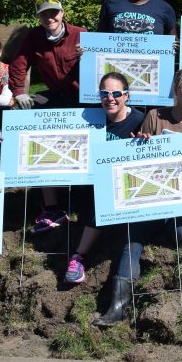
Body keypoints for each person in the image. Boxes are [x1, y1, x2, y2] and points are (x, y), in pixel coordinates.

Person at [93, 63, 182, 325]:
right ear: (177, 89)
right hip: (158, 191)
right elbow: (140, 159)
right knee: (132, 234)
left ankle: (163, 225)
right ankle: (117, 307)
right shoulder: (156, 116)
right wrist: (141, 143)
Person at [8, 0, 86, 231]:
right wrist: (19, 91)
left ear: (62, 13)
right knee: (40, 138)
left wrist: (88, 55)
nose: (49, 17)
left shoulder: (81, 34)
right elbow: (19, 64)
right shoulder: (34, 37)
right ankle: (51, 206)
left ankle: (83, 198)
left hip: (83, 100)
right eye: (44, 13)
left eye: (54, 12)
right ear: (39, 17)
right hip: (57, 96)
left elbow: (103, 64)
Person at [61, 72, 146, 281]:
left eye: (116, 93)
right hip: (87, 183)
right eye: (104, 93)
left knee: (103, 195)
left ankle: (79, 257)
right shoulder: (89, 118)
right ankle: (51, 214)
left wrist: (145, 141)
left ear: (126, 95)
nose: (110, 98)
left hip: (120, 188)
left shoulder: (139, 121)